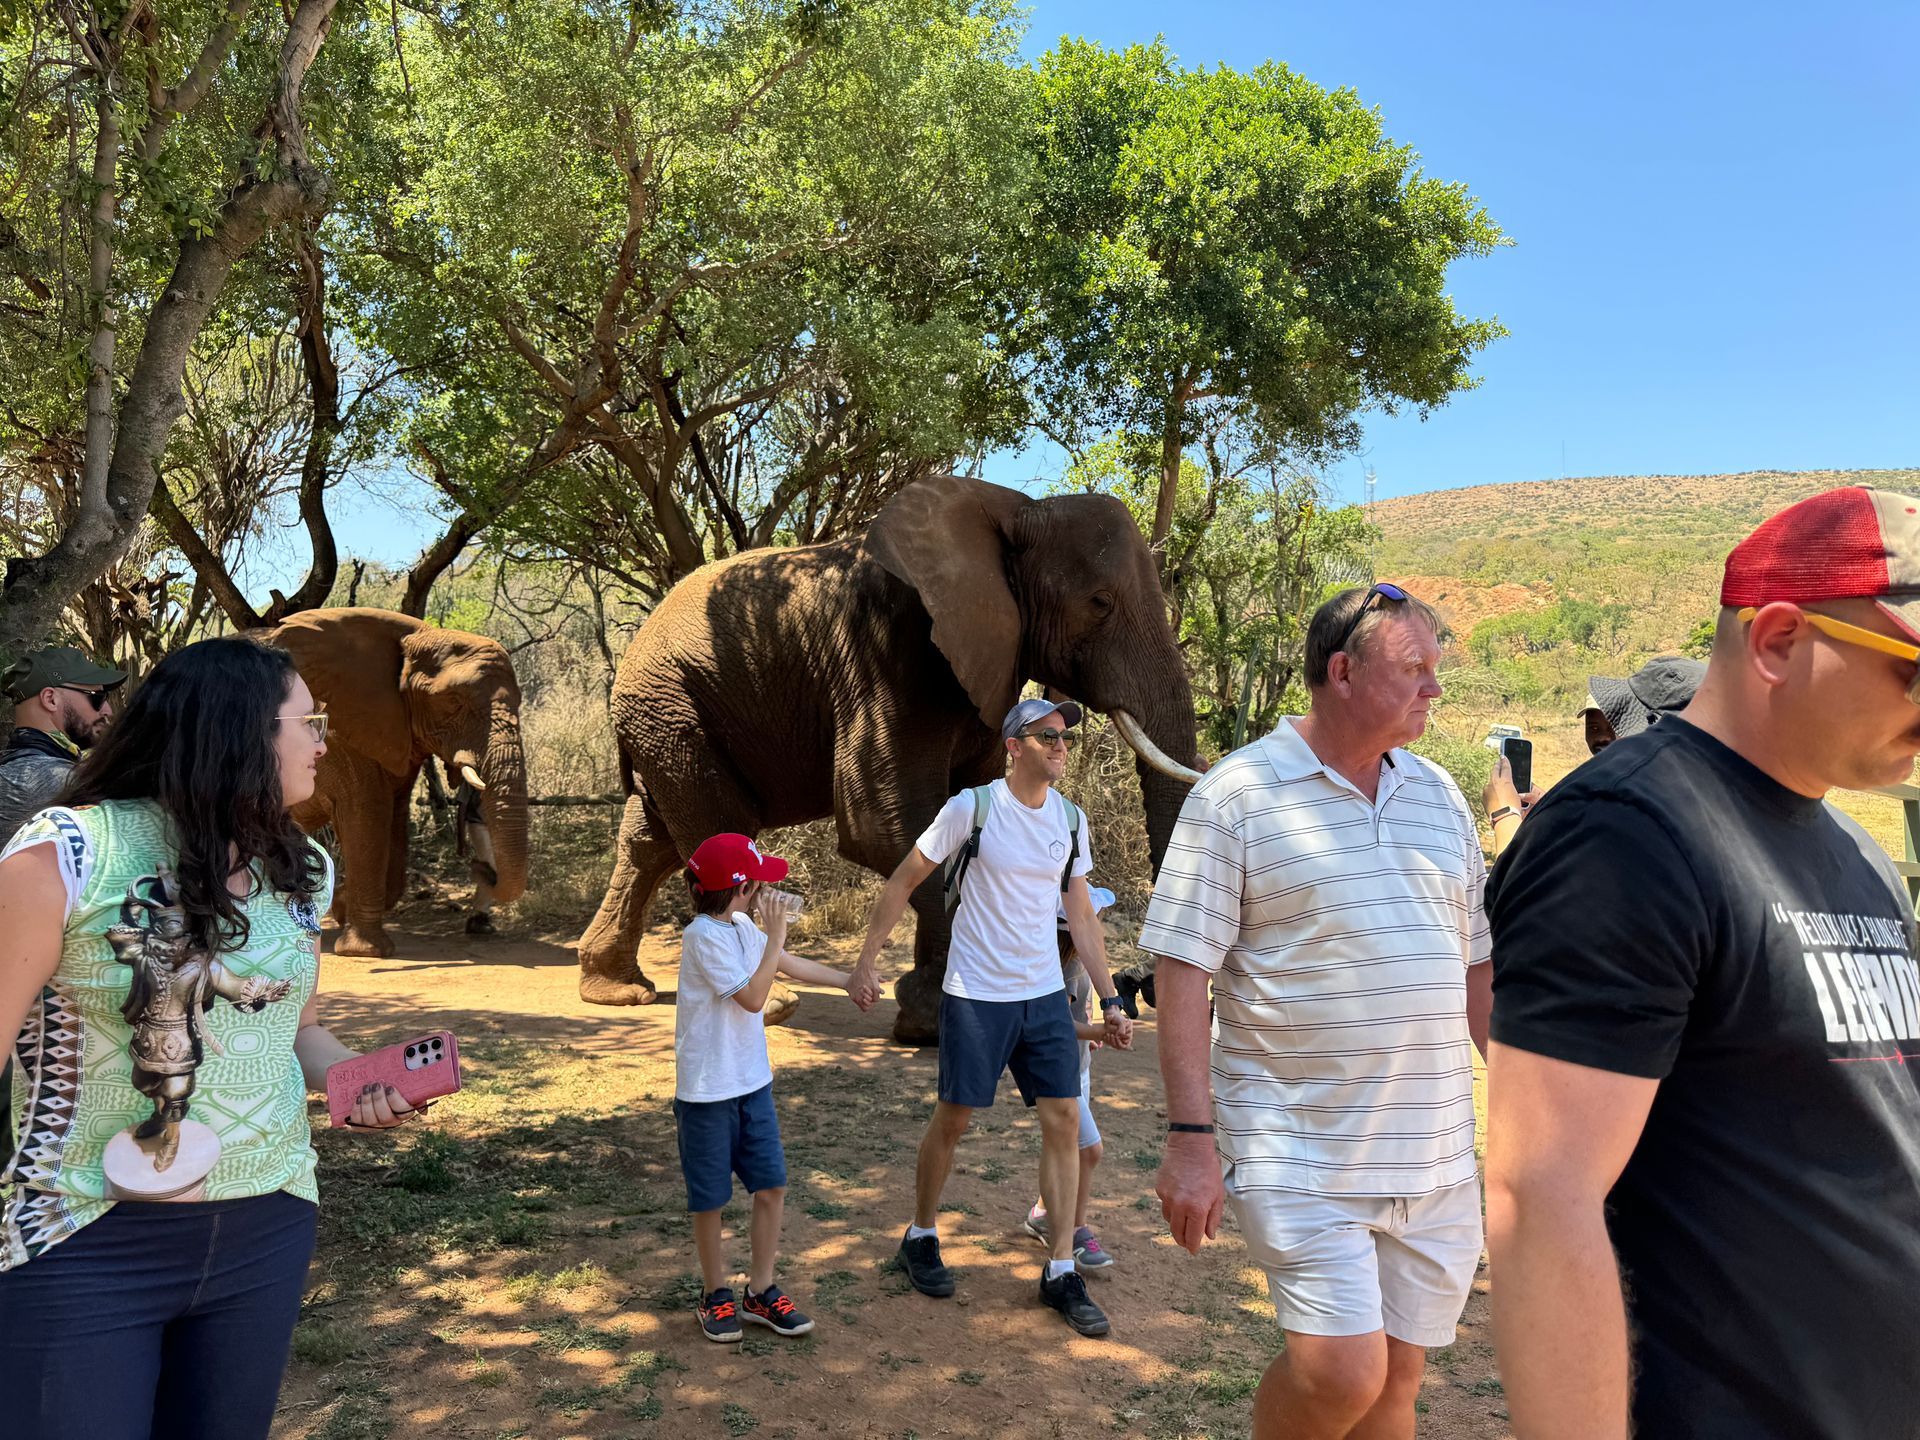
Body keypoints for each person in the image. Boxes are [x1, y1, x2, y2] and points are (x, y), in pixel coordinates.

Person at [1484, 485, 1920, 1439]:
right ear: (1776, 640)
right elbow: (1541, 1197)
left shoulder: (1861, 854)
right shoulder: (1627, 835)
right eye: (1914, 671)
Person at [0, 635, 421, 1440]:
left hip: (266, 1228)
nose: (325, 741)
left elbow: (297, 1032)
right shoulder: (65, 852)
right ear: (239, 732)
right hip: (84, 1234)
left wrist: (359, 1081)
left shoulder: (303, 868)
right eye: (310, 721)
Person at [1147, 582, 1493, 1440]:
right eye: (1413, 668)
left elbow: (1477, 965)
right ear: (1341, 671)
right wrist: (1192, 1142)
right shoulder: (1238, 796)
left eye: (1435, 669)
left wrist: (1536, 1105)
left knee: (1400, 1380)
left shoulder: (1440, 798)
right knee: (1342, 1373)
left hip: (1435, 1148)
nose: (1433, 689)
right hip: (1301, 1147)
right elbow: (1182, 970)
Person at [850, 697, 1134, 1338]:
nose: (1061, 745)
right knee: (954, 1120)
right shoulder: (971, 809)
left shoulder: (1070, 819)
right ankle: (920, 1235)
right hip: (976, 992)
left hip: (1041, 997)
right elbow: (903, 880)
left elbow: (1082, 916)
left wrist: (1111, 997)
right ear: (1014, 745)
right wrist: (868, 962)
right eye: (1047, 735)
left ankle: (1061, 1270)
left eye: (1064, 736)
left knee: (1063, 1119)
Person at [675, 832, 867, 1344]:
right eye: (760, 882)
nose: (766, 891)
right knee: (711, 1199)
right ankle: (715, 1294)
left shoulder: (740, 925)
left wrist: (846, 979)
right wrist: (777, 934)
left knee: (772, 1185)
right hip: (708, 1093)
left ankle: (760, 1290)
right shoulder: (701, 937)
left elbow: (784, 966)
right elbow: (756, 998)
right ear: (740, 888)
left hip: (751, 1085)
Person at [1481, 654, 1708, 858]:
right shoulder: (1708, 807)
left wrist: (1505, 816)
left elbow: (1525, 899)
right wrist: (1555, 810)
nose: (1606, 738)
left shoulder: (1652, 819)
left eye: (1625, 723)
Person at [1022, 883, 1121, 1274]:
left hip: (1078, 1068)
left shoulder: (1080, 964)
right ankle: (1075, 1229)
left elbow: (1079, 1014)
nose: (1097, 927)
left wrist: (1092, 1034)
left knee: (1061, 1144)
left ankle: (1043, 1212)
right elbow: (1058, 1023)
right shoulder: (1058, 966)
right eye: (1092, 920)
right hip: (1058, 1069)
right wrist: (1097, 1034)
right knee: (1089, 1149)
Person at [0, 644, 125, 844]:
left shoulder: (11, 771)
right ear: (50, 699)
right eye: (98, 698)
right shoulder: (64, 783)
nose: (107, 710)